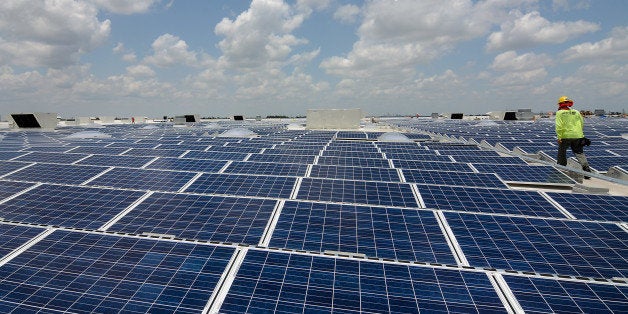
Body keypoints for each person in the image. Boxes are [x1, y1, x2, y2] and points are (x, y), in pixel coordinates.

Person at [555, 95, 592, 178]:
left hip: (565, 136)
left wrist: (559, 137)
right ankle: (586, 169)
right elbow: (581, 123)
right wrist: (581, 135)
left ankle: (562, 168)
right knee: (579, 152)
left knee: (562, 152)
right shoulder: (576, 112)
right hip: (578, 136)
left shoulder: (560, 113)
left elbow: (559, 126)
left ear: (560, 104)